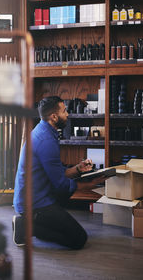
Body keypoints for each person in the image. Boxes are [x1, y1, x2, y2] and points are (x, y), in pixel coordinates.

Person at [13, 96, 106, 250]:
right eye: (64, 111)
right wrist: (89, 185)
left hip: (37, 195)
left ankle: (38, 221)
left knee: (64, 202)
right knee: (79, 239)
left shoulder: (44, 131)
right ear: (54, 117)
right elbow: (61, 185)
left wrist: (78, 169)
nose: (68, 114)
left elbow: (56, 172)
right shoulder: (46, 141)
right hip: (34, 203)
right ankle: (25, 225)